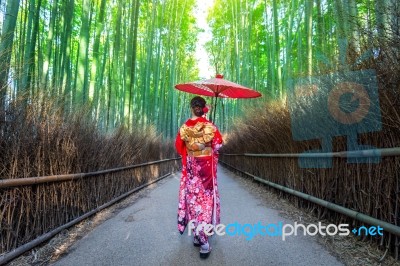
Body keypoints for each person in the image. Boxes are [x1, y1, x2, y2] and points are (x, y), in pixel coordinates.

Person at [175, 96, 223, 259]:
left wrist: (192, 148)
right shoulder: (210, 126)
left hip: (191, 168)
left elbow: (178, 146)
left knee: (193, 200)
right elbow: (218, 145)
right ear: (204, 108)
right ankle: (204, 241)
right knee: (205, 202)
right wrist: (208, 139)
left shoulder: (184, 127)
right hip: (206, 169)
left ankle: (197, 234)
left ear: (191, 108)